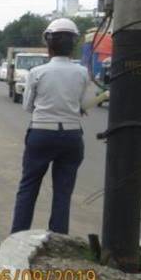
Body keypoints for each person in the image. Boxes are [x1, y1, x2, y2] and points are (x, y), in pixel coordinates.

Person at [10, 18, 89, 234]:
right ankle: (58, 241)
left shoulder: (37, 72)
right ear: (73, 44)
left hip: (41, 134)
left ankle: (17, 236)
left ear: (49, 42)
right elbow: (81, 104)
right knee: (63, 192)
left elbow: (27, 106)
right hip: (72, 136)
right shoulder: (82, 72)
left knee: (28, 187)